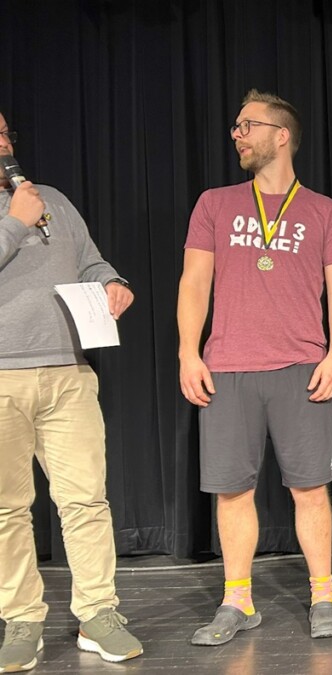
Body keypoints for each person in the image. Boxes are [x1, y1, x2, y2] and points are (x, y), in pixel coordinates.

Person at [178, 89, 332, 645]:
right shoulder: (214, 203)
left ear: (281, 135)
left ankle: (323, 595)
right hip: (228, 367)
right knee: (232, 491)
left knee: (310, 488)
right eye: (235, 126)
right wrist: (188, 351)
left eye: (246, 125)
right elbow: (194, 282)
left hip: (301, 367)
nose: (236, 134)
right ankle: (237, 601)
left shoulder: (324, 211)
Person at [0, 112, 143, 669]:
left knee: (85, 500)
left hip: (69, 374)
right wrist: (15, 223)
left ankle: (98, 614)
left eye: (7, 133)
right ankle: (21, 620)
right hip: (2, 378)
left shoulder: (51, 199)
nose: (4, 144)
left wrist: (112, 282)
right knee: (7, 510)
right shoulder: (24, 208)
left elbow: (89, 260)